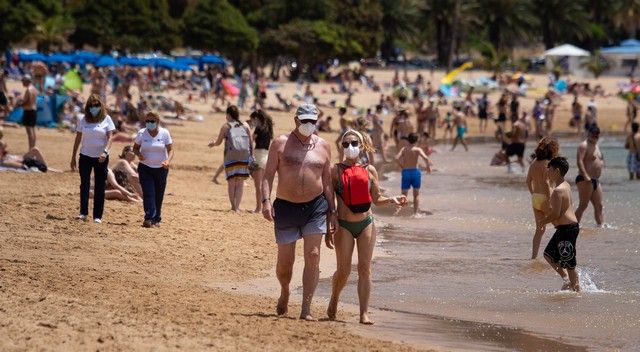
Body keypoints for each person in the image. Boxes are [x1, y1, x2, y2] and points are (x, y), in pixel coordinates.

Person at [261, 103, 336, 321]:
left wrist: (332, 210)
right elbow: (267, 175)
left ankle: (306, 308)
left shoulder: (324, 146)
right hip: (285, 207)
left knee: (313, 255)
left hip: (315, 206)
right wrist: (266, 201)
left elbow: (328, 182)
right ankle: (285, 290)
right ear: (296, 120)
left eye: (312, 121)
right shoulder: (280, 143)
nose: (308, 125)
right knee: (285, 263)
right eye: (304, 121)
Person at [327, 130, 407, 324]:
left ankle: (364, 313)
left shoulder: (370, 170)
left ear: (361, 145)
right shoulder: (334, 171)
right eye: (345, 144)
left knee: (365, 269)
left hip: (366, 224)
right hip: (344, 225)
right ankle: (335, 298)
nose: (349, 147)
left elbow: (377, 199)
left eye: (353, 143)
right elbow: (329, 202)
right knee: (344, 270)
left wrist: (392, 199)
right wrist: (331, 221)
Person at [70, 94, 115, 223]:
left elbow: (110, 137)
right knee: (84, 184)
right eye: (91, 105)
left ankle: (97, 216)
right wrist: (73, 156)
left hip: (101, 157)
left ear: (100, 106)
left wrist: (105, 152)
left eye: (96, 105)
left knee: (99, 186)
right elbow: (78, 138)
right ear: (88, 107)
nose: (94, 108)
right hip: (85, 156)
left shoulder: (107, 119)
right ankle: (83, 212)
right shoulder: (84, 120)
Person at [539, 156, 580, 292]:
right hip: (565, 229)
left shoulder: (558, 190)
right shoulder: (565, 185)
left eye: (549, 169)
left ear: (557, 171)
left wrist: (542, 221)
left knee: (569, 264)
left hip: (567, 229)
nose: (547, 172)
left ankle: (577, 291)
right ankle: (567, 280)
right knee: (548, 255)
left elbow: (556, 214)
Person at [133, 112, 174, 227]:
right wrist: (138, 154)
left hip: (161, 169)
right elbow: (135, 148)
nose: (149, 124)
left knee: (158, 195)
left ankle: (157, 219)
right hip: (145, 168)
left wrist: (168, 161)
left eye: (152, 121)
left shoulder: (164, 133)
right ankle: (149, 217)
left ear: (157, 122)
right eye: (147, 121)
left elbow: (171, 149)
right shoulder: (141, 133)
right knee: (148, 193)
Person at [208, 105, 252, 212]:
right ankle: (237, 207)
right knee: (240, 182)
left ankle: (233, 207)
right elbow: (250, 142)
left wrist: (213, 144)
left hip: (230, 157)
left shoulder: (226, 126)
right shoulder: (245, 125)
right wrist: (251, 155)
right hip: (244, 156)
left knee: (232, 182)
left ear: (228, 115)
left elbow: (218, 142)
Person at [526, 138, 560, 259]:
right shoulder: (547, 164)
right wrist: (550, 199)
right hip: (546, 198)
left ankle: (534, 257)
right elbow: (546, 183)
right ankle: (558, 254)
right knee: (559, 226)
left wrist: (533, 194)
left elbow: (528, 181)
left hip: (536, 198)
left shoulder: (534, 162)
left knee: (539, 229)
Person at [395, 133, 431, 215]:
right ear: (416, 140)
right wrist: (428, 167)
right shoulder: (417, 149)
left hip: (406, 172)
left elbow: (397, 158)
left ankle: (398, 211)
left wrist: (402, 166)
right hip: (415, 172)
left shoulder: (404, 149)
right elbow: (425, 158)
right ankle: (415, 213)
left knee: (403, 194)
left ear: (408, 139)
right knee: (416, 195)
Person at [575, 126, 604, 226]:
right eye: (593, 133)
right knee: (583, 205)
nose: (595, 135)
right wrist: (585, 175)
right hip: (585, 179)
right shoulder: (584, 145)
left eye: (597, 133)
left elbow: (599, 158)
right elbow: (579, 161)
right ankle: (572, 227)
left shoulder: (596, 145)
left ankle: (601, 227)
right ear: (588, 133)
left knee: (599, 205)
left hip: (595, 180)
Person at [249, 109, 274, 213]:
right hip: (266, 156)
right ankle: (266, 205)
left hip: (258, 155)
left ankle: (259, 207)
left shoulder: (259, 128)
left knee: (258, 186)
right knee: (264, 185)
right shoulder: (269, 128)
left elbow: (251, 139)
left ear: (257, 118)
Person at [20, 75, 38, 150]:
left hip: (28, 111)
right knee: (33, 131)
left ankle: (30, 149)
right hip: (34, 111)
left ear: (27, 81)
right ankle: (32, 148)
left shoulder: (28, 89)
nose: (22, 83)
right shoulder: (34, 88)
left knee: (29, 132)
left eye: (23, 81)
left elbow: (28, 101)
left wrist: (19, 104)